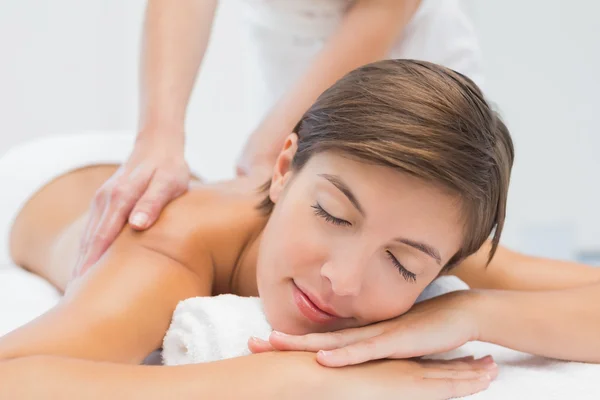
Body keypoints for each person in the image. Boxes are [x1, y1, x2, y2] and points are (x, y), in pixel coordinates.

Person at [1, 60, 599, 399]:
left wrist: (468, 314)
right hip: (42, 179)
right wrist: (286, 376)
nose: (342, 278)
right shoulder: (169, 249)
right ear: (284, 168)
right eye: (333, 215)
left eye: (404, 266)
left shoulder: (419, 222)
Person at [74, 0, 485, 277]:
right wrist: (158, 136)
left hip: (402, 53)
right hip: (286, 42)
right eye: (331, 213)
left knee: (435, 252)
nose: (339, 280)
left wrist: (269, 145)